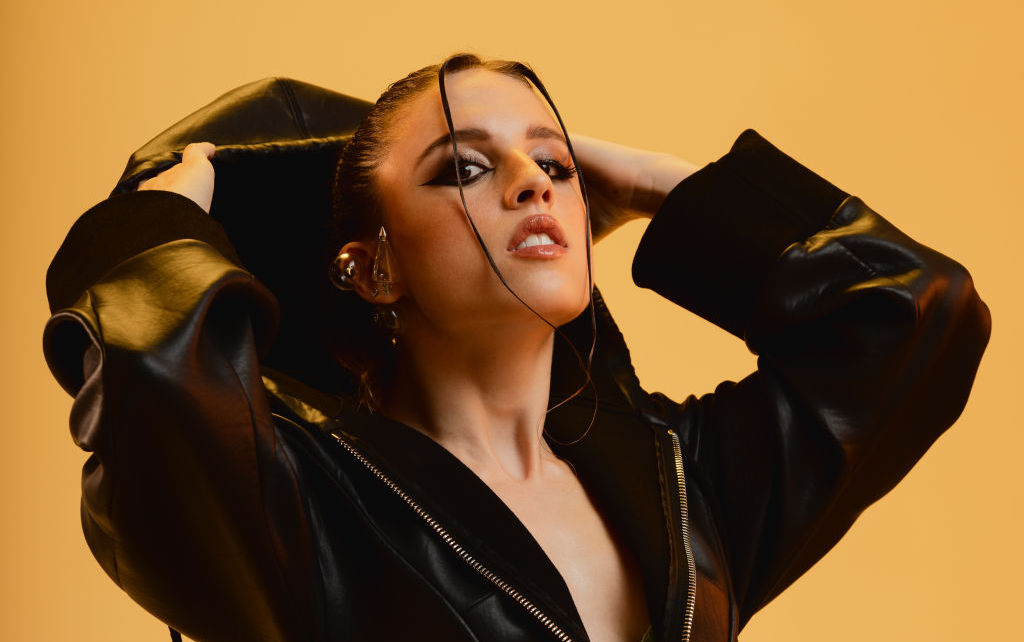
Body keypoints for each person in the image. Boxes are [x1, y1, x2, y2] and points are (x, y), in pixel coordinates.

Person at [42, 53, 992, 642]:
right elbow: (151, 393)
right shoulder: (306, 507)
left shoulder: (682, 478)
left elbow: (916, 312)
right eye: (463, 167)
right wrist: (155, 222)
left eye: (555, 161)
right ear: (373, 268)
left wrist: (663, 187)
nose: (532, 183)